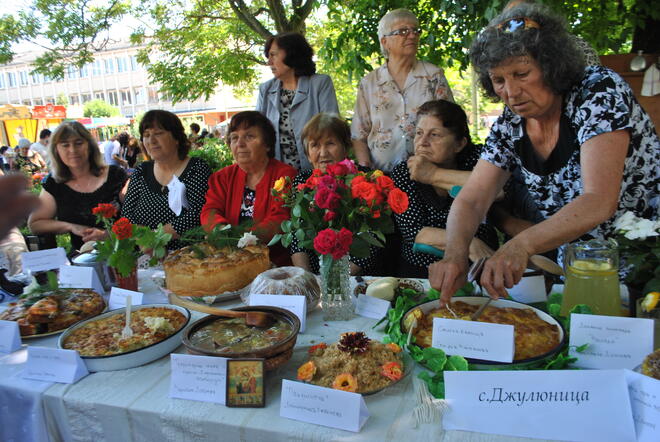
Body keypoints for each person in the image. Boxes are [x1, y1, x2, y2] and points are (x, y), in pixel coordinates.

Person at [429, 3, 660, 304]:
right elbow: (473, 198)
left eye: (521, 73)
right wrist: (455, 256)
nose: (511, 93)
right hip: (580, 271)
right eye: (498, 80)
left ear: (552, 66)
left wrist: (520, 246)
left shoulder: (598, 91)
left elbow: (598, 200)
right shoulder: (511, 123)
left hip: (647, 266)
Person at [391, 100, 499, 278]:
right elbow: (417, 233)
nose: (423, 142)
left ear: (459, 144)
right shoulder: (404, 172)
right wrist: (469, 243)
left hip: (479, 266)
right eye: (419, 133)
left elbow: (497, 188)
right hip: (422, 270)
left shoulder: (477, 160)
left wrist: (434, 174)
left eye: (435, 135)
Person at [351, 8, 454, 173]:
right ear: (385, 42)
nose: (412, 35)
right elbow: (359, 135)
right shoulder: (369, 83)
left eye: (416, 31)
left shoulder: (433, 76)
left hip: (427, 175)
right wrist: (366, 173)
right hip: (381, 177)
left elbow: (451, 126)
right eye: (403, 31)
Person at [201, 111, 296, 266]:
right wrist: (220, 231)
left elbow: (280, 219)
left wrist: (241, 238)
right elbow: (209, 211)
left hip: (273, 265)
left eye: (249, 136)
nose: (240, 144)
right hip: (229, 263)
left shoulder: (285, 176)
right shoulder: (222, 177)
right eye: (234, 138)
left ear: (267, 144)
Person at [290, 113, 380, 275]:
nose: (323, 153)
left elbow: (371, 240)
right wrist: (306, 277)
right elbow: (298, 236)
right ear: (307, 154)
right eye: (315, 145)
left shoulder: (364, 179)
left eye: (330, 143)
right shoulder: (302, 182)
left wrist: (336, 281)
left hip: (357, 276)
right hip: (315, 274)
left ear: (346, 147)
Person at [28, 122, 128, 252]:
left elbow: (139, 220)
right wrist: (71, 227)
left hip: (123, 256)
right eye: (65, 145)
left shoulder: (116, 176)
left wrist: (108, 235)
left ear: (90, 146)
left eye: (79, 143)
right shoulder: (55, 183)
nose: (72, 150)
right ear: (56, 150)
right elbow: (35, 224)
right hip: (82, 262)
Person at [122, 110, 212, 250]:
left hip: (189, 258)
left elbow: (198, 213)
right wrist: (144, 241)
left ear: (176, 137)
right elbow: (127, 217)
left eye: (158, 133)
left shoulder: (196, 168)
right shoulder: (141, 171)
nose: (151, 140)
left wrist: (155, 238)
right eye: (146, 135)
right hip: (145, 259)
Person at [256, 32, 339, 170]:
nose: (269, 62)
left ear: (291, 54)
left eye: (273, 55)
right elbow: (258, 132)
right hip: (278, 179)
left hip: (317, 172)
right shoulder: (265, 89)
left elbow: (332, 129)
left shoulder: (320, 84)